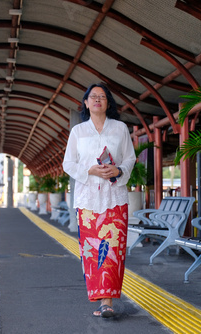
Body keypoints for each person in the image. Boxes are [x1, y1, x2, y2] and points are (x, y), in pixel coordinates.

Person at [63, 83, 136, 318]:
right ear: (85, 103)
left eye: (102, 97)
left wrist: (118, 170)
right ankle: (99, 297)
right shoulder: (78, 132)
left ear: (108, 103)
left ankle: (108, 302)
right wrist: (90, 171)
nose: (97, 100)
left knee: (112, 250)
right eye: (93, 97)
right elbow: (68, 164)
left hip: (115, 199)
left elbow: (130, 159)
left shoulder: (120, 128)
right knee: (93, 253)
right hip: (87, 202)